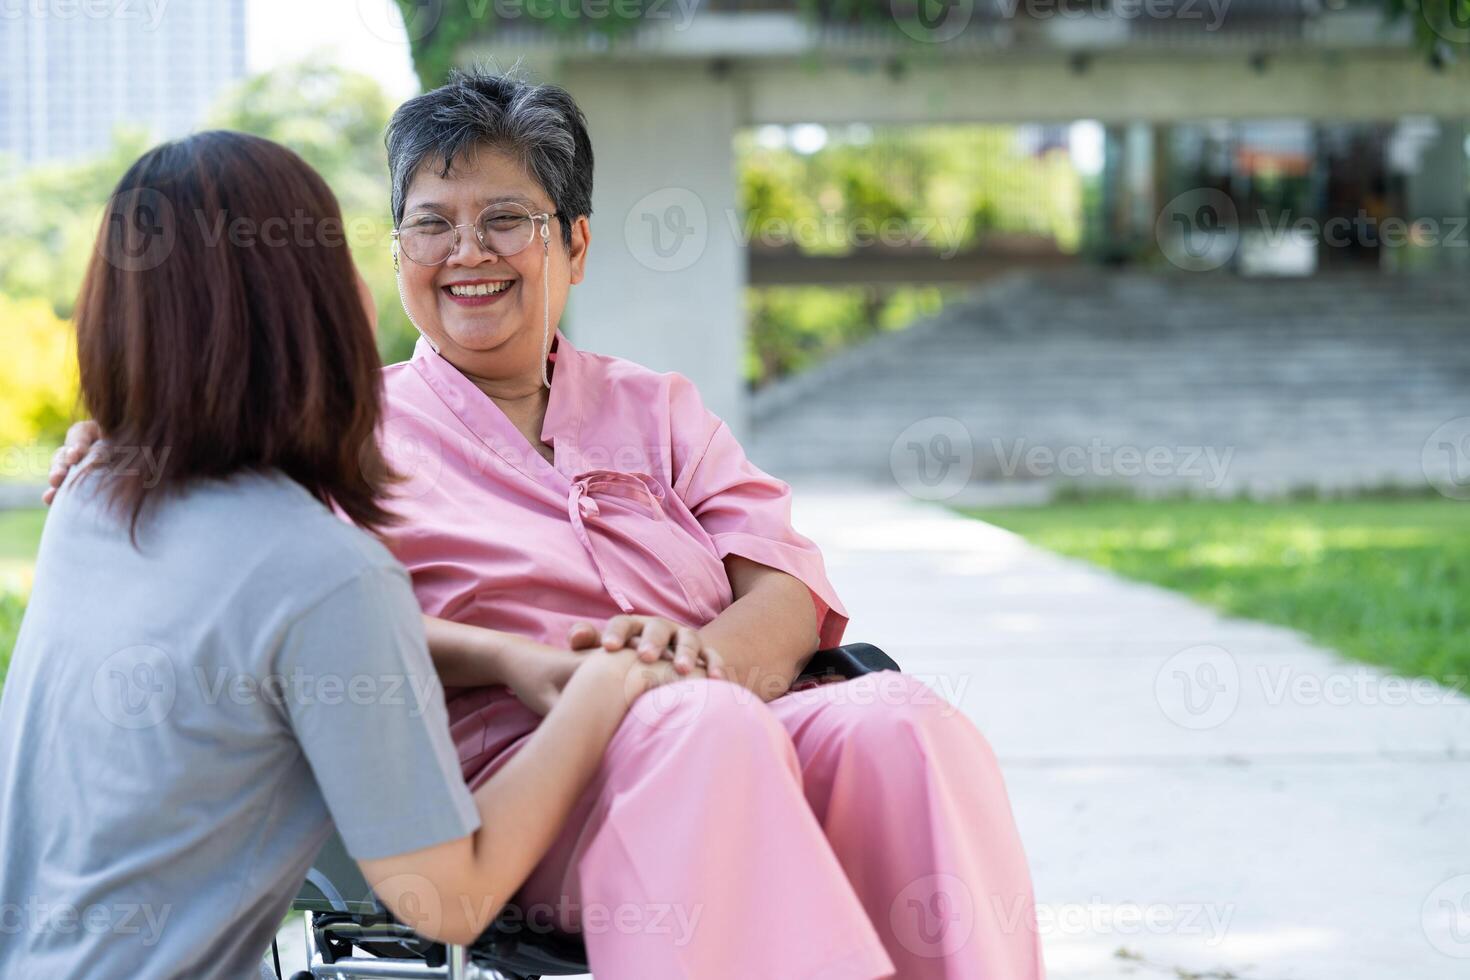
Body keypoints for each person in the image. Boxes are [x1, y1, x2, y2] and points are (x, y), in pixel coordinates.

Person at [48, 69, 1046, 979]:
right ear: (397, 250)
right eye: (431, 224)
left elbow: (782, 582)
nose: (467, 252)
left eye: (505, 220)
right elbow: (284, 602)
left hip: (731, 712)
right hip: (530, 776)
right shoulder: (342, 423)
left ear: (572, 242)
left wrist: (688, 663)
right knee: (700, 728)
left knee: (901, 719)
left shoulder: (658, 408)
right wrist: (120, 437)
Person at [1, 130, 701, 979]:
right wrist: (604, 687)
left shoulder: (90, 499)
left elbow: (256, 640)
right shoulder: (323, 571)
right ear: (316, 307)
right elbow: (448, 895)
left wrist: (503, 656)